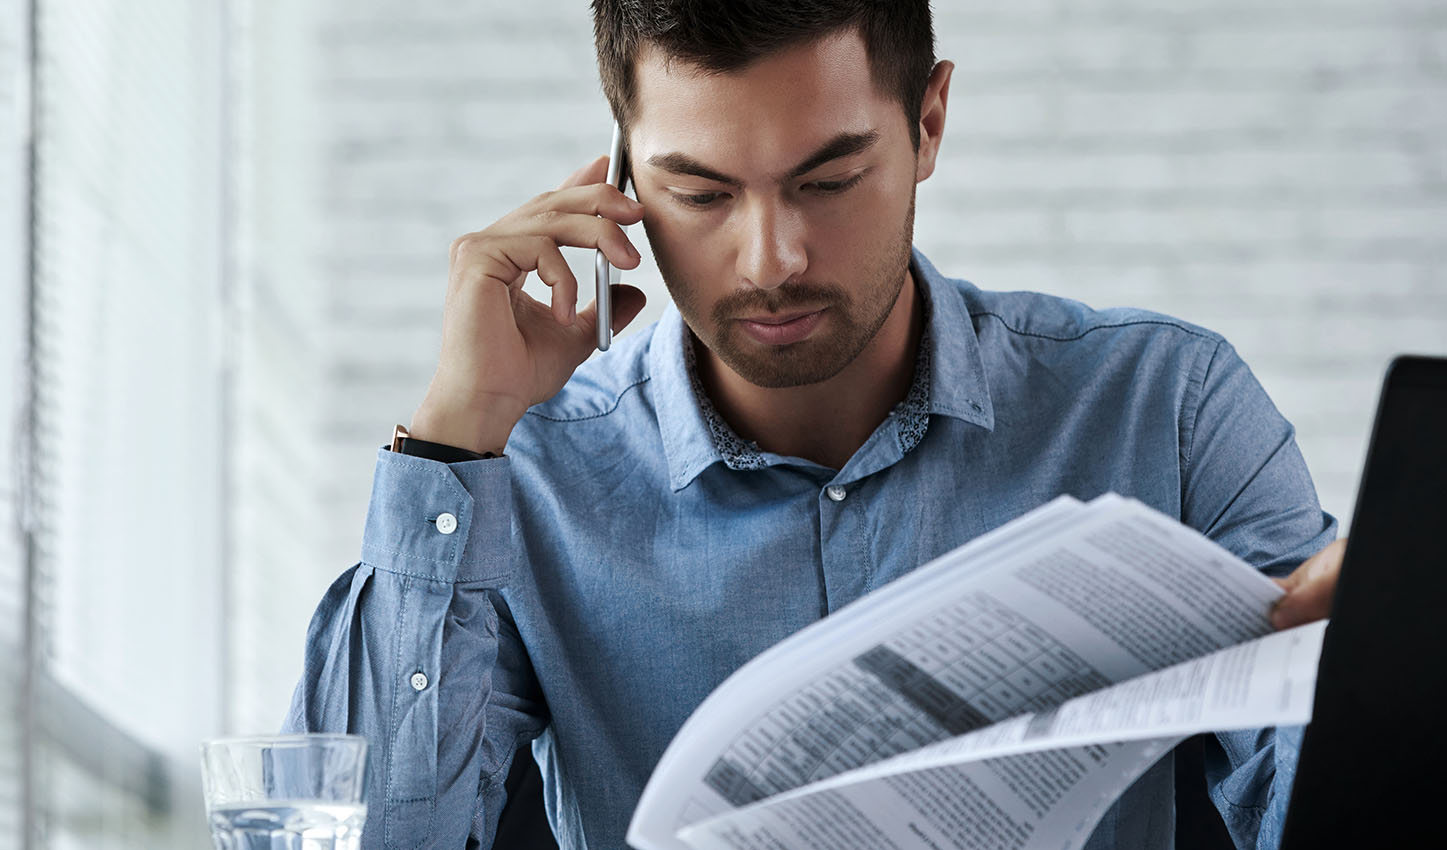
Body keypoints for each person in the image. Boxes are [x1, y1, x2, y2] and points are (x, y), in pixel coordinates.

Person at [287, 2, 1347, 849]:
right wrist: (454, 435)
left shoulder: (1163, 408)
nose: (769, 258)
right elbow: (370, 834)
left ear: (928, 122)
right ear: (620, 177)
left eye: (827, 180)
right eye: (698, 192)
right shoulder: (538, 475)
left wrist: (1374, 663)